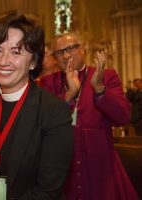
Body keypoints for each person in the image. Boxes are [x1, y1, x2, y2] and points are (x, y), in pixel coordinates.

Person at [0, 12, 73, 200]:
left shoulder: (54, 111)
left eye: (16, 52)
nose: (3, 61)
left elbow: (49, 190)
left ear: (33, 62)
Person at [40, 32, 139, 200]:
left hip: (100, 168)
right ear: (55, 58)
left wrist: (100, 89)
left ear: (82, 50)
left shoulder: (107, 76)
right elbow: (41, 123)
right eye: (59, 52)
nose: (65, 55)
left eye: (70, 48)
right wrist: (69, 94)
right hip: (64, 172)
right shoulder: (48, 83)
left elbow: (123, 117)